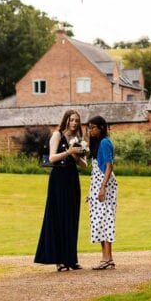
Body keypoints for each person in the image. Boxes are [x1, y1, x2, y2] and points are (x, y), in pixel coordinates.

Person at [34, 109, 86, 272]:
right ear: (66, 120)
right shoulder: (57, 135)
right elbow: (51, 158)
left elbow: (84, 165)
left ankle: (71, 258)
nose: (74, 123)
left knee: (71, 217)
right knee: (58, 217)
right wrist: (68, 152)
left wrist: (76, 155)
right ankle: (59, 260)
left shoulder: (78, 139)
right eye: (72, 120)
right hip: (58, 180)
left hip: (72, 179)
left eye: (77, 120)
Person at [85, 115, 117, 270]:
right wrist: (91, 193)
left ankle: (106, 258)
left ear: (101, 128)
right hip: (97, 186)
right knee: (98, 220)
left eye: (93, 127)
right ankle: (107, 258)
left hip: (105, 185)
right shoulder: (97, 143)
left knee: (105, 219)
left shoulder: (104, 142)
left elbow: (109, 166)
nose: (90, 130)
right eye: (89, 127)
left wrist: (102, 187)